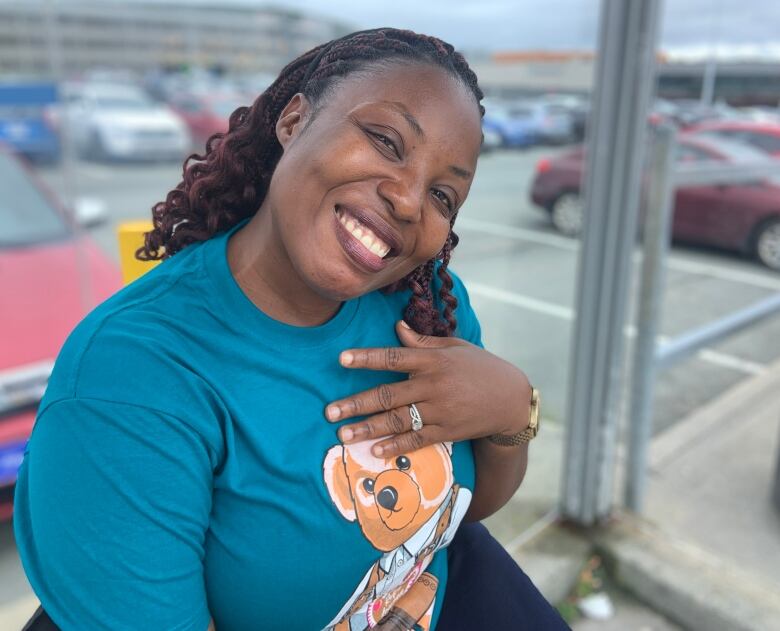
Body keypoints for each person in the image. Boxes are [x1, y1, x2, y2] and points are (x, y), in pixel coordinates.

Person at [14, 28, 569, 631]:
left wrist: (513, 413)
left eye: (443, 194)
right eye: (386, 141)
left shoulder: (427, 306)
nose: (409, 202)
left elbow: (457, 511)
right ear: (294, 120)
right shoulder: (131, 379)